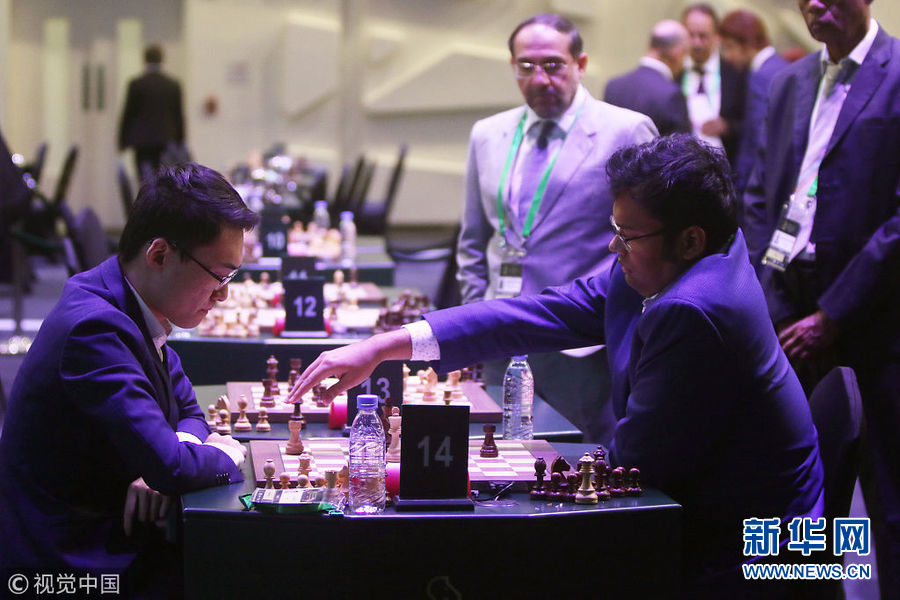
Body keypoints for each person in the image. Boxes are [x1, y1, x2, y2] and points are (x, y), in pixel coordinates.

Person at [291, 135, 824, 597]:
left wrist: (504, 468)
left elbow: (635, 468)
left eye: (627, 236)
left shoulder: (694, 308)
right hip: (713, 507)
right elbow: (535, 315)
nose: (614, 246)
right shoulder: (688, 258)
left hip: (745, 547)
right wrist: (385, 346)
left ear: (689, 239)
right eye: (614, 229)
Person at [0, 163, 258, 597]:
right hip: (69, 566)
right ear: (159, 255)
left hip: (107, 527)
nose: (223, 295)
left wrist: (172, 453)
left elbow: (188, 412)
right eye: (219, 275)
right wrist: (226, 453)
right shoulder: (95, 328)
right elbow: (173, 467)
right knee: (241, 571)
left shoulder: (129, 296)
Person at [743, 1, 900, 597]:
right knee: (793, 489)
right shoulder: (788, 80)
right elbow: (758, 195)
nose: (814, 4)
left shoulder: (896, 71)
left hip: (872, 313)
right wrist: (771, 298)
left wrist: (833, 314)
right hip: (787, 304)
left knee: (885, 495)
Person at [456, 13, 657, 444]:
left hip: (581, 341)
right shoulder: (487, 134)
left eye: (553, 65)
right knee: (498, 453)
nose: (539, 79)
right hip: (501, 330)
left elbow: (648, 241)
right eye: (526, 67)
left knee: (578, 459)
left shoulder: (625, 130)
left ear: (580, 64)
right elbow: (473, 240)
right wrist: (476, 318)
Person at [718, 9, 789, 197]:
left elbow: (758, 140)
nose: (728, 57)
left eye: (729, 47)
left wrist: (742, 189)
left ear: (746, 43)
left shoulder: (760, 76)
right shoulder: (783, 68)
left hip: (758, 188)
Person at [680, 3, 747, 167]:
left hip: (726, 166)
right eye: (691, 35)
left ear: (717, 37)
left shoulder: (735, 73)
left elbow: (750, 124)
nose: (696, 43)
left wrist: (727, 127)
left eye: (703, 36)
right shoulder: (674, 72)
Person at [604, 19, 692, 136]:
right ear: (677, 52)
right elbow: (684, 147)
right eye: (685, 54)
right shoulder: (672, 95)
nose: (685, 62)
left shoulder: (613, 86)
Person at [118, 44, 186, 182]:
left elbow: (128, 114)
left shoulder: (137, 84)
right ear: (162, 59)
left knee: (144, 180)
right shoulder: (172, 85)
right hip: (166, 139)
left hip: (142, 142)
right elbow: (178, 115)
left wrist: (122, 140)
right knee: (164, 179)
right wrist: (180, 140)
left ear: (145, 60)